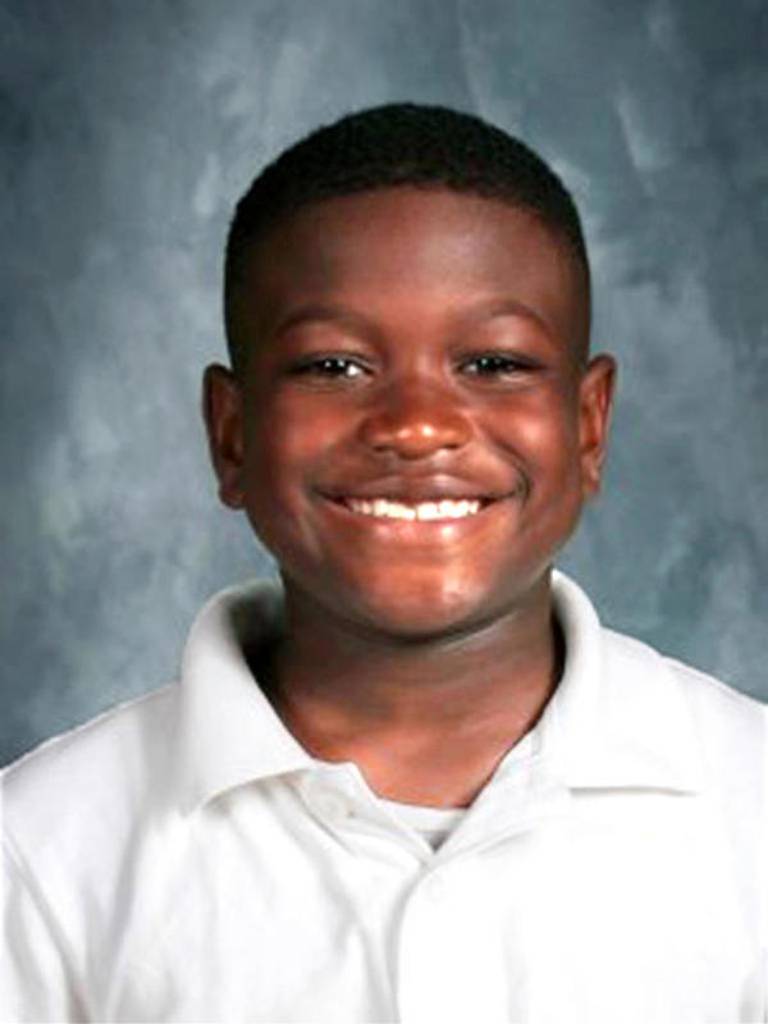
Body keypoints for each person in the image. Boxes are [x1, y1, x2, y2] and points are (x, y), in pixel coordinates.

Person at [2, 103, 765, 1024]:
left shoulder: (749, 809)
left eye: (493, 362)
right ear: (232, 435)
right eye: (334, 366)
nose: (416, 425)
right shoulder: (41, 855)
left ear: (589, 425)